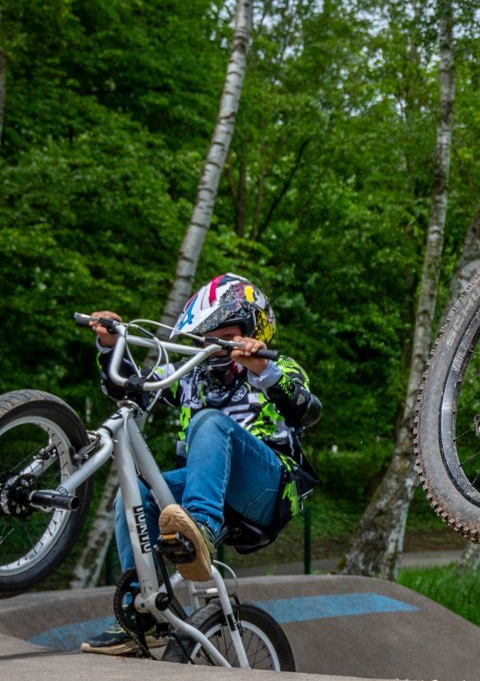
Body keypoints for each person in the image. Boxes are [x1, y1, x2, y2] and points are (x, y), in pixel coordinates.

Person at [81, 275, 320, 655]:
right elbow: (129, 387)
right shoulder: (190, 375)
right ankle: (141, 610)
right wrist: (111, 346)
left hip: (268, 489)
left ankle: (200, 531)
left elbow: (306, 409)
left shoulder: (277, 367)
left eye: (225, 335)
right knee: (137, 493)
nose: (215, 346)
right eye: (206, 338)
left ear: (253, 329)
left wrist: (262, 366)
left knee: (208, 422)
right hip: (205, 488)